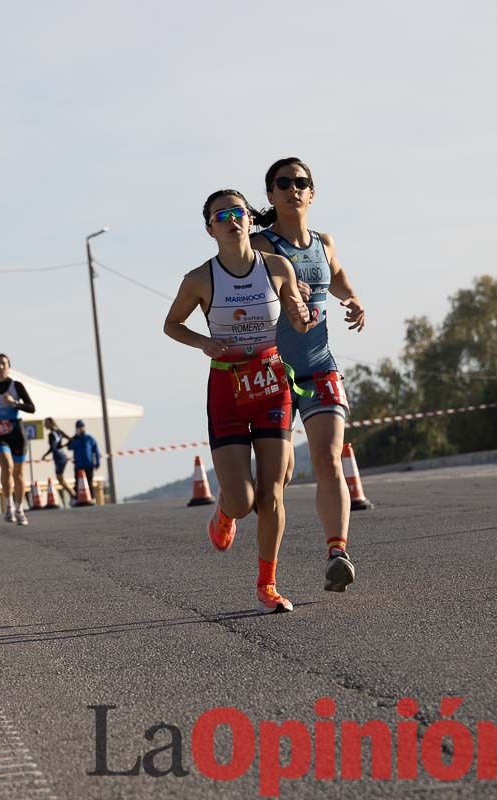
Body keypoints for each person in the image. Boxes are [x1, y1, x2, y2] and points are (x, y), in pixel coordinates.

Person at [163, 189, 316, 613]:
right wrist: (203, 343)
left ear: (250, 220)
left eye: (239, 212)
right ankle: (224, 513)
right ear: (210, 228)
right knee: (242, 499)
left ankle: (267, 584)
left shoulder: (278, 267)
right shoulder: (199, 279)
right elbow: (172, 325)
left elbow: (298, 320)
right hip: (227, 387)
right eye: (221, 215)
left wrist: (304, 317)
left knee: (271, 495)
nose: (232, 219)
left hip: (270, 382)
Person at [252, 157, 365, 593]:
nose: (292, 189)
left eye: (301, 182)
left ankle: (338, 551)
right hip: (273, 371)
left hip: (319, 364)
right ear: (271, 195)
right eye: (283, 183)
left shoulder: (325, 242)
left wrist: (354, 300)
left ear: (312, 193)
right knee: (277, 477)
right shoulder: (261, 245)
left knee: (328, 457)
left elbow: (337, 278)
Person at [0, 353, 37, 526]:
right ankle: (8, 505)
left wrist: (14, 404)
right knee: (7, 467)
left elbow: (31, 408)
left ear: (9, 366)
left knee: (18, 473)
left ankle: (19, 509)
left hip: (17, 432)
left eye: (3, 364)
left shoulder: (16, 386)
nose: (1, 367)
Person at [65, 420, 101, 503]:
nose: (80, 429)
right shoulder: (75, 439)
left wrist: (97, 462)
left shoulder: (89, 439)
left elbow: (96, 451)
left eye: (81, 427)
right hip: (78, 466)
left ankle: (91, 499)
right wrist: (74, 438)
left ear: (84, 427)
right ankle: (78, 499)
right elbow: (69, 447)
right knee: (77, 484)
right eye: (78, 427)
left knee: (89, 482)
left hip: (88, 465)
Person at [41, 417, 73, 499]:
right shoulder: (59, 431)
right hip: (62, 456)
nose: (45, 425)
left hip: (58, 457)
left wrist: (45, 455)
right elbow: (70, 439)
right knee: (61, 479)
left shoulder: (51, 434)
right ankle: (74, 495)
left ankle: (74, 496)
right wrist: (62, 446)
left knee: (60, 479)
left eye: (46, 423)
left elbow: (53, 447)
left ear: (51, 423)